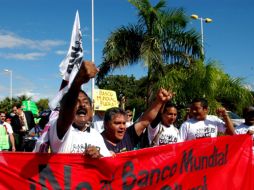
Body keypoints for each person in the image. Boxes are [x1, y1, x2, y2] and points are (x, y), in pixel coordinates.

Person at [48, 60, 111, 158]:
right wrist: (78, 81)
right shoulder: (59, 129)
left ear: (91, 110)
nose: (82, 105)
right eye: (76, 102)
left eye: (86, 102)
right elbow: (66, 113)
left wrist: (98, 156)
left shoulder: (96, 135)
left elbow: (107, 162)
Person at [101, 88, 173, 153]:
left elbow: (145, 120)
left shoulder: (128, 136)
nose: (122, 127)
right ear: (106, 125)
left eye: (124, 123)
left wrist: (159, 101)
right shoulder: (97, 142)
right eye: (117, 123)